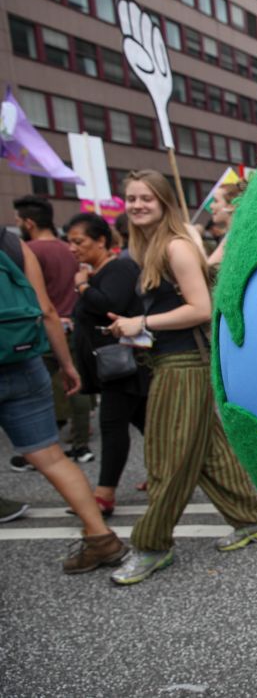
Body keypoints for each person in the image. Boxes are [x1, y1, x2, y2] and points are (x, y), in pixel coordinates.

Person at [107, 170, 257, 586]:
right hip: (172, 361)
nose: (137, 205)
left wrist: (140, 322)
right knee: (205, 449)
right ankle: (251, 519)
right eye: (131, 198)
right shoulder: (152, 246)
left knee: (169, 456)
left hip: (184, 364)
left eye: (146, 198)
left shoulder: (175, 246)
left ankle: (151, 545)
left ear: (164, 202)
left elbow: (201, 308)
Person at [0, 226, 127, 571]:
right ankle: (100, 536)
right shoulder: (12, 243)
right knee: (53, 458)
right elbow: (47, 311)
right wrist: (67, 364)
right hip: (23, 361)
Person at [66, 213, 149, 516]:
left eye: (79, 242)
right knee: (149, 424)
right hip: (113, 366)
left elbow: (109, 304)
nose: (73, 248)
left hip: (124, 364)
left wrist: (83, 288)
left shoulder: (120, 268)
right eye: (70, 243)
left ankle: (104, 495)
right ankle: (167, 474)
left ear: (101, 241)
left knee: (112, 426)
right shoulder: (96, 271)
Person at [11, 196, 94, 467]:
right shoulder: (68, 247)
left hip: (45, 326)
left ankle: (45, 450)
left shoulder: (26, 250)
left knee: (38, 390)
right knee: (76, 383)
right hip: (75, 323)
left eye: (18, 221)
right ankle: (80, 443)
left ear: (29, 222)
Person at [206, 179, 245, 269]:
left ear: (231, 206)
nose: (211, 205)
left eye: (216, 201)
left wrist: (196, 240)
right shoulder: (233, 233)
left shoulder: (234, 235)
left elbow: (208, 270)